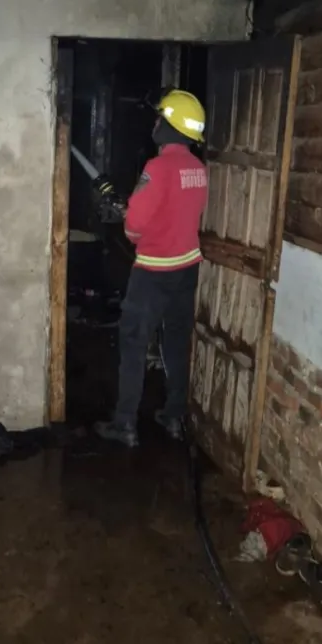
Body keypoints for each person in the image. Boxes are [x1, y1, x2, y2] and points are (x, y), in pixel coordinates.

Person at [95, 90, 208, 448]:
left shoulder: (157, 168)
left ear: (170, 126)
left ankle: (125, 424)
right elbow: (180, 213)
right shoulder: (198, 169)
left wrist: (127, 219)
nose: (155, 123)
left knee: (133, 342)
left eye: (160, 118)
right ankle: (173, 417)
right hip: (186, 269)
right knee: (175, 342)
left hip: (154, 271)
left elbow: (135, 226)